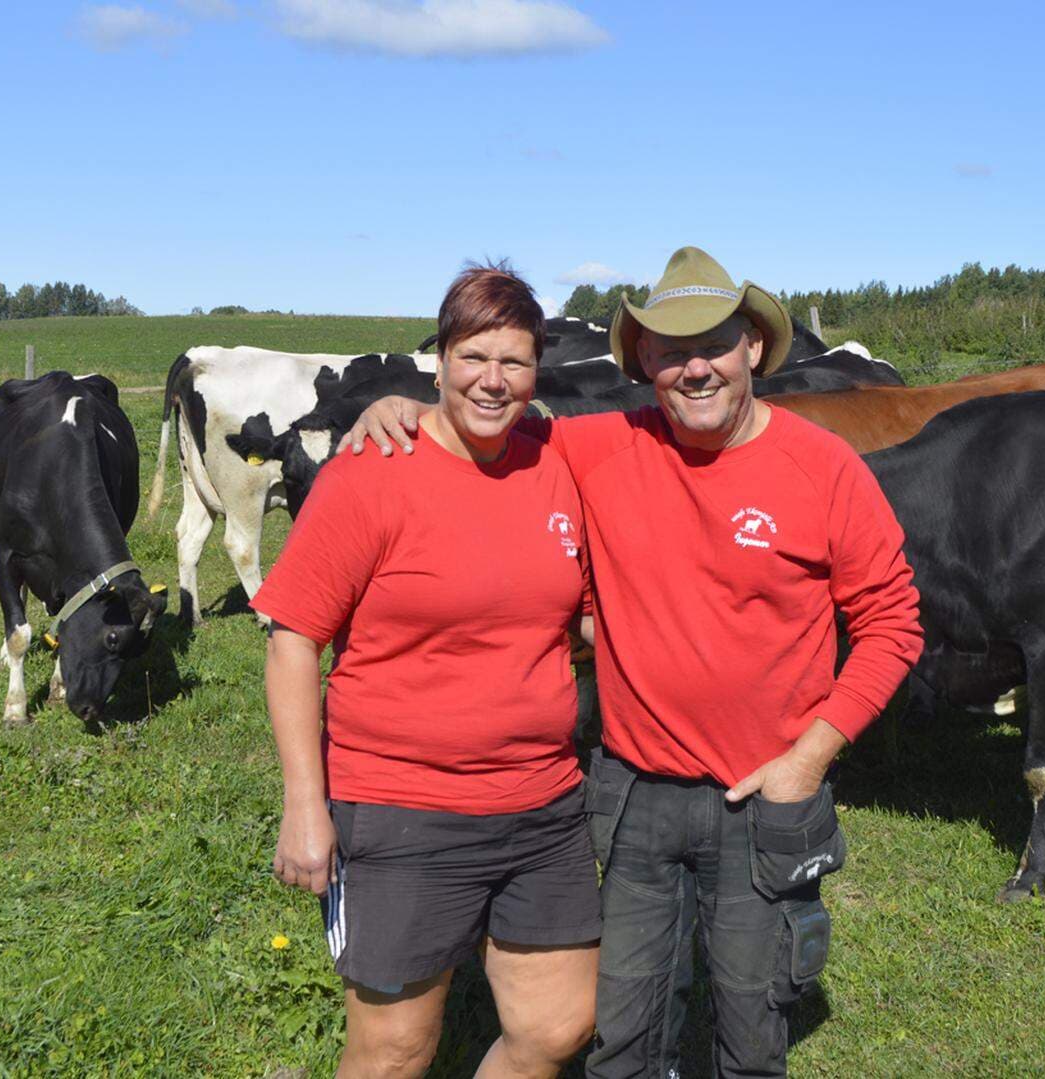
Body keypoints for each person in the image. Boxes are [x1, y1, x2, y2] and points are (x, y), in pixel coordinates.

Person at [344, 246, 924, 1076]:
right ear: (645, 358)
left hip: (765, 794)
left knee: (752, 1024)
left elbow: (893, 622)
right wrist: (400, 406)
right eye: (673, 350)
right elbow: (482, 418)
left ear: (754, 347)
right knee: (620, 1032)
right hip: (636, 793)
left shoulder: (822, 465)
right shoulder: (600, 446)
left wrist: (808, 759)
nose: (697, 368)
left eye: (715, 344)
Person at [253, 263, 600, 1078]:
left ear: (537, 372)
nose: (492, 379)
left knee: (558, 1026)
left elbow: (579, 614)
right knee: (395, 1049)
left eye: (513, 361)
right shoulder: (371, 473)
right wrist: (304, 803)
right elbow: (293, 639)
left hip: (542, 802)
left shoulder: (554, 468)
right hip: (402, 806)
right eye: (473, 356)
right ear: (439, 361)